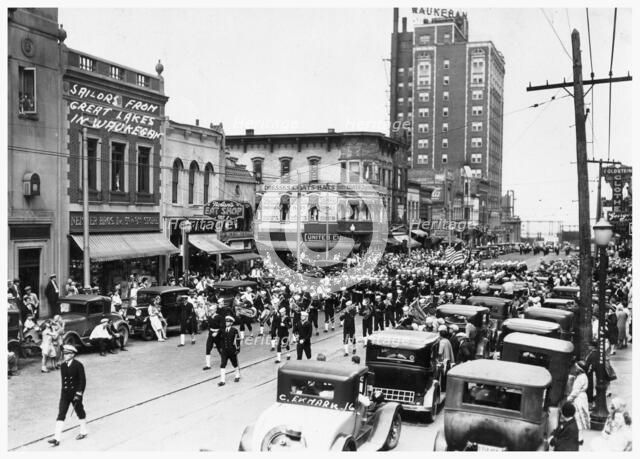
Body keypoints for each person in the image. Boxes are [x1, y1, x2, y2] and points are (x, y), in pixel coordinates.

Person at [47, 344, 88, 446]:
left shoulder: (78, 365)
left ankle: (83, 431)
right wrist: (63, 394)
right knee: (61, 414)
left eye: (67, 354)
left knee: (80, 411)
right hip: (65, 394)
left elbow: (82, 381)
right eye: (64, 354)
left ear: (72, 354)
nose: (64, 355)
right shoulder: (63, 366)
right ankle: (56, 438)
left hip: (75, 394)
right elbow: (63, 382)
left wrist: (79, 394)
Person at [566, 361, 590, 444]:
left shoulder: (580, 378)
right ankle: (580, 437)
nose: (575, 369)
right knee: (579, 417)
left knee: (577, 418)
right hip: (581, 397)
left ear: (579, 369)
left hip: (578, 399)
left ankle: (579, 438)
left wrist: (569, 399)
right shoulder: (582, 376)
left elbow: (576, 391)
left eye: (576, 367)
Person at [217, 316, 241, 386]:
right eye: (226, 322)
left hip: (231, 350)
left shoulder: (234, 330)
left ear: (231, 323)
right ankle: (222, 380)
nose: (226, 323)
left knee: (234, 363)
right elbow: (220, 339)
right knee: (222, 365)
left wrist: (237, 349)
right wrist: (220, 348)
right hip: (224, 351)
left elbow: (237, 340)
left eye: (228, 322)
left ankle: (237, 375)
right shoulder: (223, 330)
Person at [203, 303, 224, 371]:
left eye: (211, 310)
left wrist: (217, 333)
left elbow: (222, 327)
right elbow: (209, 326)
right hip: (211, 334)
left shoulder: (219, 317)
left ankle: (223, 361)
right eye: (210, 310)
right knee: (208, 348)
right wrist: (210, 331)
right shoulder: (209, 317)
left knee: (220, 348)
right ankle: (208, 365)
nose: (210, 311)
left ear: (215, 310)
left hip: (218, 335)